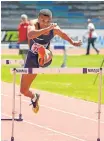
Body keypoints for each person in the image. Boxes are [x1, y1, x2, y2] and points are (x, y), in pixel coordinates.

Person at [20, 9, 82, 113]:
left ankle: (42, 56)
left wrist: (73, 42)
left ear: (51, 20)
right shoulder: (32, 24)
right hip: (31, 58)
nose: (45, 23)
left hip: (46, 55)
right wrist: (46, 29)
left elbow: (63, 35)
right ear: (38, 19)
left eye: (47, 21)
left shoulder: (54, 28)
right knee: (23, 90)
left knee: (45, 52)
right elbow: (30, 35)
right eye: (42, 21)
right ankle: (34, 96)